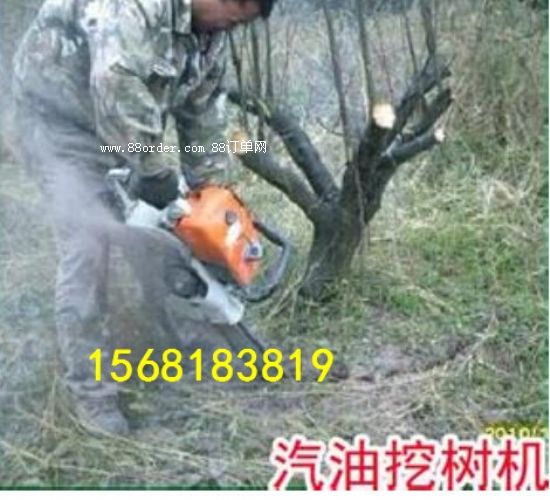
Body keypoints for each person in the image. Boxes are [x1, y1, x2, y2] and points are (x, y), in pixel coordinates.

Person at [11, 0, 277, 435]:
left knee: (162, 237)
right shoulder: (136, 7)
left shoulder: (208, 39)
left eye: (243, 19)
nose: (234, 22)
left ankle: (165, 343)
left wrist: (210, 201)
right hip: (57, 126)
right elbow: (113, 82)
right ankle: (91, 391)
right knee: (89, 245)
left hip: (120, 133)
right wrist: (152, 170)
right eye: (235, 6)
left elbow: (204, 119)